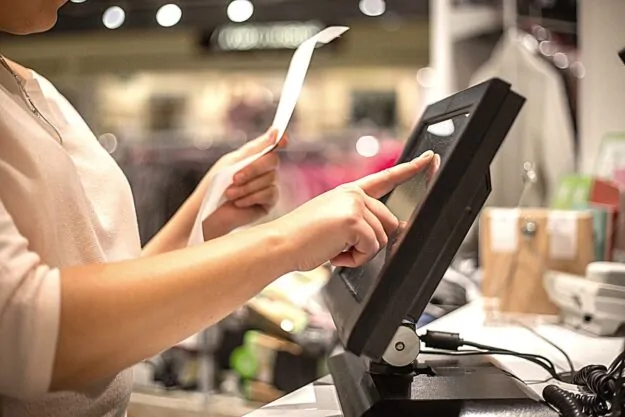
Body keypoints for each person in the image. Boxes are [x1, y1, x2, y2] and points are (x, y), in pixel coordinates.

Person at [0, 0, 437, 415]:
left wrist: (203, 212)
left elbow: (113, 311)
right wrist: (285, 239)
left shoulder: (36, 89)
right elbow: (24, 332)